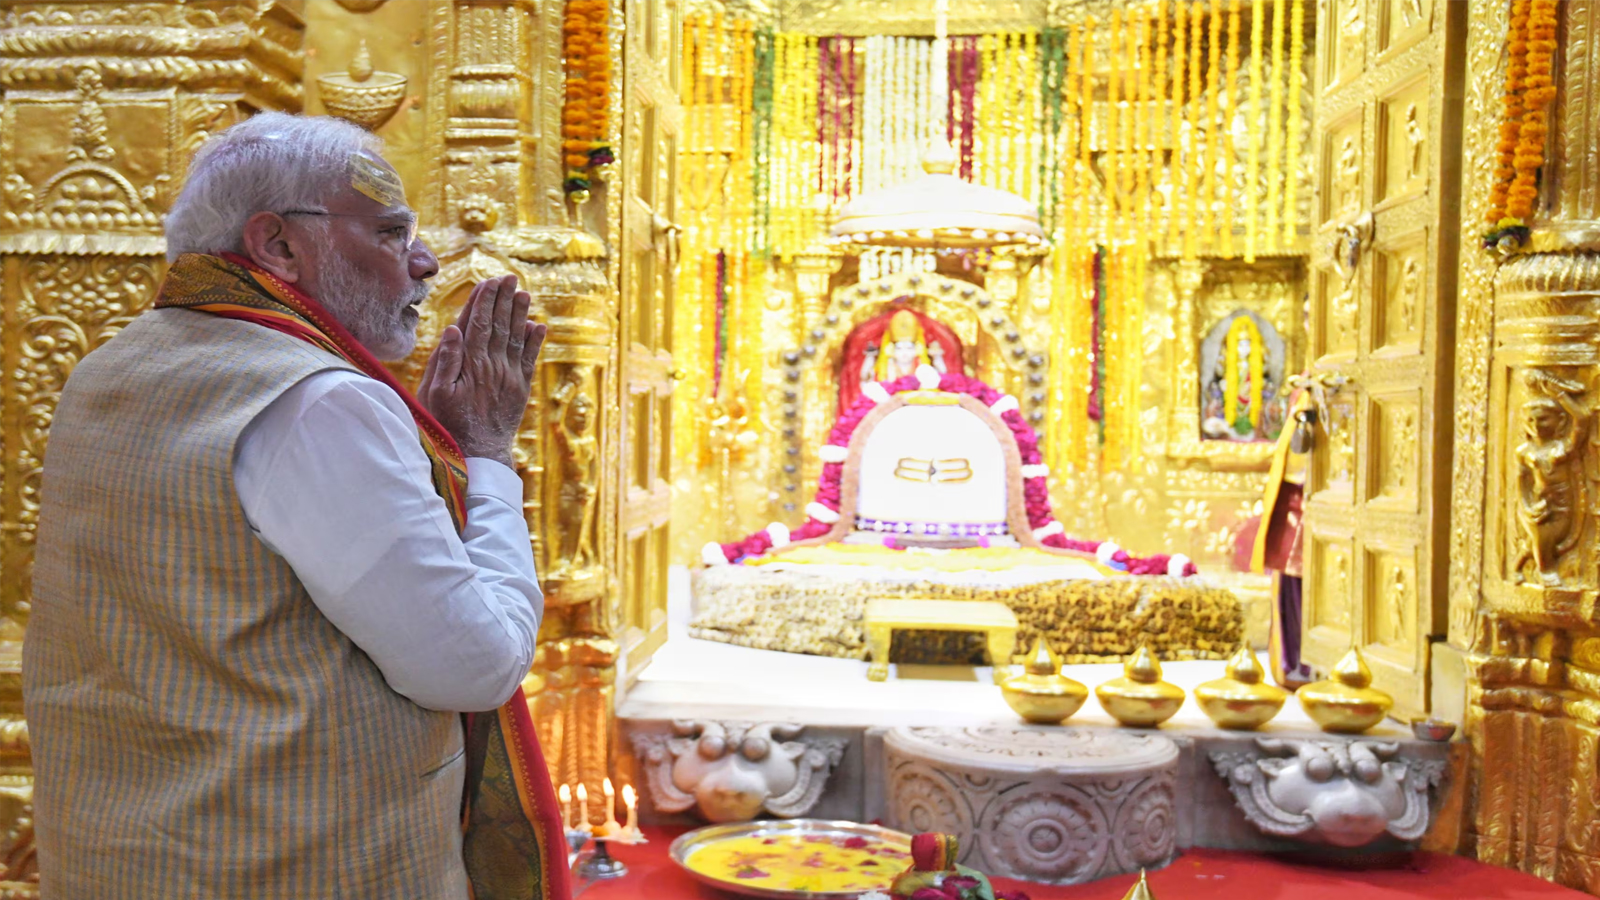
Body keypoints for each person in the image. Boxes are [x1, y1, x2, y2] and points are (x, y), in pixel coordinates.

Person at [23, 112, 570, 900]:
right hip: (300, 867)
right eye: (389, 232)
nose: (423, 263)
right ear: (278, 246)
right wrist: (483, 453)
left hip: (123, 855)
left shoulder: (108, 367)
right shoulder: (317, 399)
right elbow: (472, 665)